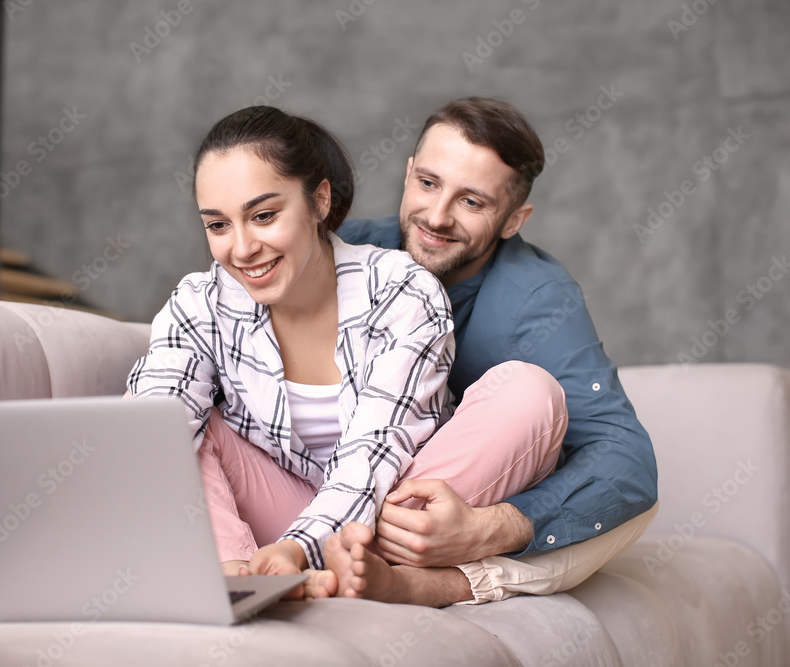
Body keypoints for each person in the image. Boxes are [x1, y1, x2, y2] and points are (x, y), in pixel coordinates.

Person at [127, 105, 568, 591]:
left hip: (390, 511)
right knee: (170, 425)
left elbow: (374, 454)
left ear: (319, 201)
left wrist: (300, 547)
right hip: (266, 531)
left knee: (530, 393)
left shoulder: (403, 292)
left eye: (264, 216)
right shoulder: (197, 303)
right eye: (218, 225)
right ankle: (240, 583)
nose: (242, 248)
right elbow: (145, 432)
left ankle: (337, 572)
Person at [329, 97, 659, 604]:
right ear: (408, 174)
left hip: (426, 505)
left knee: (626, 510)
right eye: (429, 183)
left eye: (472, 202)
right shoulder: (343, 253)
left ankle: (430, 581)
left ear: (513, 219)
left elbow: (626, 460)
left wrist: (485, 529)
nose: (436, 217)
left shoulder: (537, 299)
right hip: (327, 485)